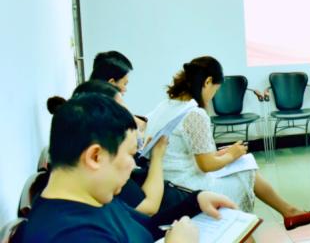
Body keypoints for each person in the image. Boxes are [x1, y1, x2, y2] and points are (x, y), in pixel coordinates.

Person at [16, 93, 236, 242]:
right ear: (95, 157)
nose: (133, 165)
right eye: (130, 155)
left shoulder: (95, 197)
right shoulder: (70, 234)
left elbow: (146, 228)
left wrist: (195, 202)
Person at [146, 56, 310, 230]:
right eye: (216, 90)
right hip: (184, 188)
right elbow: (206, 165)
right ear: (208, 82)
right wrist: (232, 154)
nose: (213, 96)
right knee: (247, 171)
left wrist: (224, 155)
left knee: (243, 162)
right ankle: (286, 213)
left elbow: (182, 153)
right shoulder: (194, 113)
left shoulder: (166, 105)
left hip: (165, 180)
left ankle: (288, 212)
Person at [46, 81, 170, 216]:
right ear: (95, 156)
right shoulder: (105, 177)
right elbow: (149, 208)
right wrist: (157, 157)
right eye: (120, 109)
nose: (128, 114)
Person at [90, 50, 148, 131]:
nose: (125, 89)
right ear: (111, 84)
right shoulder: (103, 115)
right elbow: (141, 127)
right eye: (124, 84)